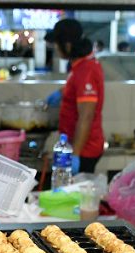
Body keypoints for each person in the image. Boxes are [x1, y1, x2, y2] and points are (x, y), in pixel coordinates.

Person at [45, 18, 105, 174]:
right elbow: (78, 87)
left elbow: (86, 115)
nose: (56, 49)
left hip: (84, 150)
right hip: (75, 144)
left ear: (67, 44)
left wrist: (76, 155)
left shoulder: (86, 69)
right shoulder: (81, 64)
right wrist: (61, 92)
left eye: (57, 44)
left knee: (79, 196)